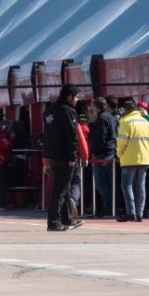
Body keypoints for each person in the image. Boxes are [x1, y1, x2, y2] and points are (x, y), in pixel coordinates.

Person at [42, 84, 82, 231]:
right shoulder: (68, 111)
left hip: (52, 156)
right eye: (76, 97)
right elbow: (72, 136)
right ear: (69, 97)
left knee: (62, 189)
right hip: (65, 157)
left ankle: (67, 219)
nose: (77, 100)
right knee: (59, 191)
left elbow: (46, 136)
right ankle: (54, 222)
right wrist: (73, 156)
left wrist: (46, 158)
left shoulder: (48, 111)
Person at [115, 100, 149, 222]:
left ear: (126, 110)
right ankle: (139, 213)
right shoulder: (146, 122)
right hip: (144, 158)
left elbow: (121, 141)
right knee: (141, 186)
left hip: (129, 158)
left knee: (127, 185)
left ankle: (131, 213)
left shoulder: (126, 122)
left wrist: (119, 154)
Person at [86, 101, 116, 218]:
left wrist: (95, 150)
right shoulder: (110, 117)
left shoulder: (102, 118)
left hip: (102, 154)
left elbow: (100, 137)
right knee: (107, 182)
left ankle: (107, 208)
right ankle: (109, 207)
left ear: (97, 107)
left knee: (101, 183)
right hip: (109, 152)